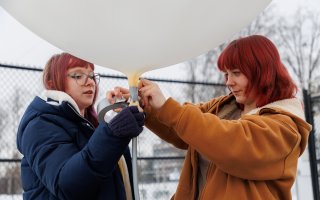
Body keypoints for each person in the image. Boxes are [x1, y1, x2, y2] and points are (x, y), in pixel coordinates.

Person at [108, 35, 312, 200]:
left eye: (236, 73)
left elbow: (231, 143)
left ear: (262, 72)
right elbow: (182, 130)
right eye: (226, 75)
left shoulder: (284, 126)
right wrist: (145, 105)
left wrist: (167, 107)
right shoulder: (225, 107)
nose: (229, 82)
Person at [17, 52, 144, 200]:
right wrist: (112, 133)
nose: (90, 82)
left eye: (91, 76)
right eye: (77, 75)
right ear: (51, 82)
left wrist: (114, 118)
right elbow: (68, 186)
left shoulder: (91, 125)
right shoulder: (39, 125)